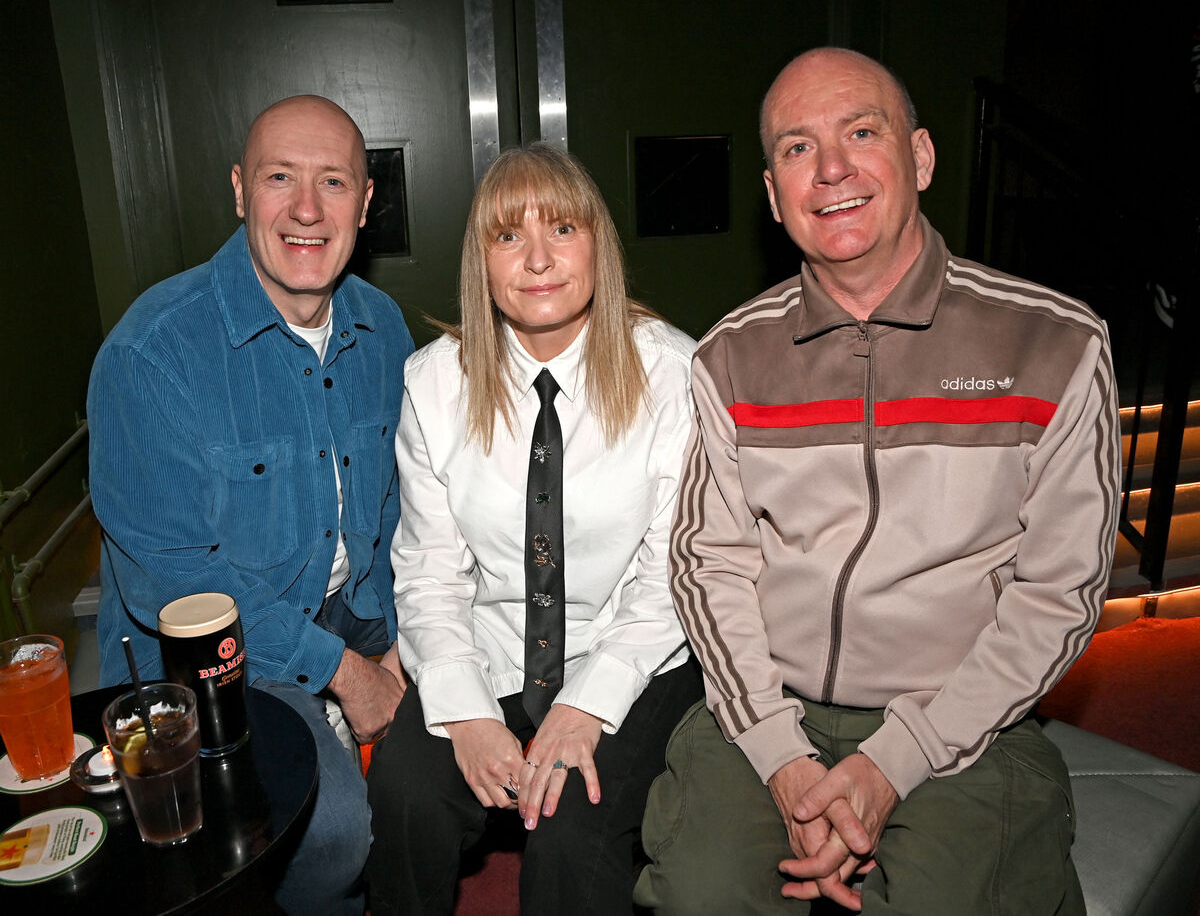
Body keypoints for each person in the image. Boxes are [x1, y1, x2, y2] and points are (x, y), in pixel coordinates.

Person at [634, 48, 1121, 915]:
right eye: (797, 148)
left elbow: (1060, 593)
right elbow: (710, 566)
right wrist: (782, 758)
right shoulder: (731, 355)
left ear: (921, 157)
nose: (831, 169)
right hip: (766, 710)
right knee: (700, 891)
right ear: (774, 194)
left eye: (862, 132)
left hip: (965, 720)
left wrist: (898, 759)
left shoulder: (1055, 344)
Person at [88, 95, 412, 915]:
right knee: (329, 833)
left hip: (355, 606)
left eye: (333, 182)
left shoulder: (382, 328)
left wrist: (409, 641)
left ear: (366, 203)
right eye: (279, 178)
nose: (306, 209)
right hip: (217, 644)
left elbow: (402, 511)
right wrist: (346, 676)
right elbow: (178, 586)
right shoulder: (152, 353)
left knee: (460, 760)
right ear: (239, 190)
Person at [364, 143, 702, 916]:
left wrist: (590, 705)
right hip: (490, 647)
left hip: (631, 650)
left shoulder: (673, 374)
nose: (539, 259)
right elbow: (429, 570)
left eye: (563, 229)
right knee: (406, 795)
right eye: (509, 235)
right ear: (480, 261)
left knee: (570, 838)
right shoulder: (434, 382)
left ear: (598, 246)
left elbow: (671, 575)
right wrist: (465, 709)